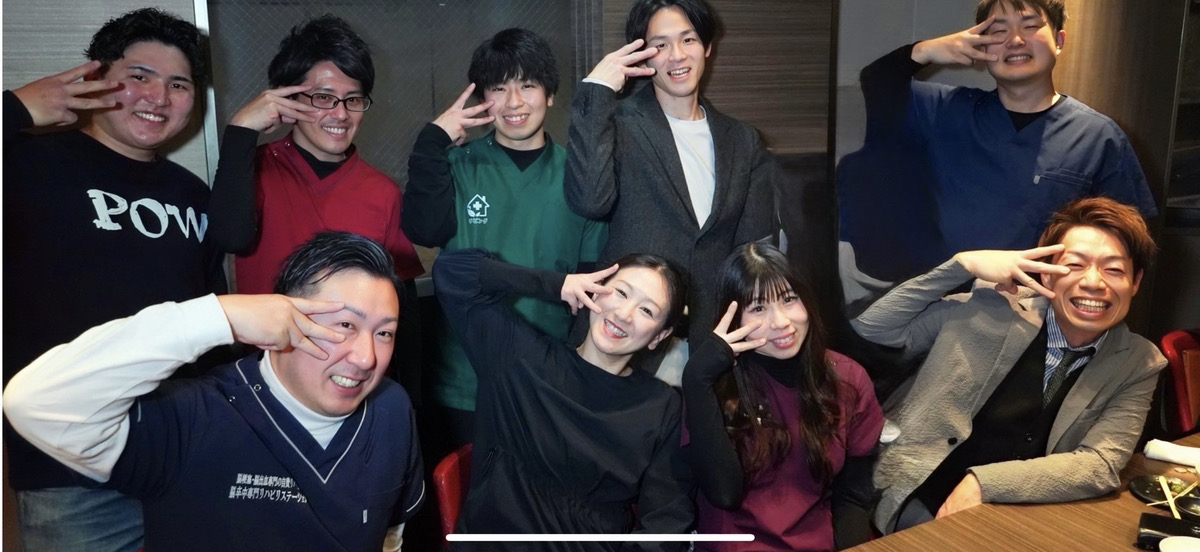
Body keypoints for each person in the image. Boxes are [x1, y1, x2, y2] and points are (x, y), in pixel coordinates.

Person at [5, 232, 425, 551]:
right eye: (345, 325)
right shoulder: (190, 417)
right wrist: (218, 315)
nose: (366, 358)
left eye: (384, 333)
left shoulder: (390, 407)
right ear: (282, 316)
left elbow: (390, 532)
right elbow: (33, 403)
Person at [2, 8, 224, 551]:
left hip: (181, 458)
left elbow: (211, 321)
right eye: (139, 76)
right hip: (71, 472)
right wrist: (13, 109)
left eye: (178, 84)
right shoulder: (28, 164)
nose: (159, 97)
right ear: (97, 78)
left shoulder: (192, 194)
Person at [852, 197, 1167, 533]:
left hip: (1019, 510)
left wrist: (983, 483)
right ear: (1046, 275)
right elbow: (872, 329)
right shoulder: (987, 309)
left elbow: (1100, 464)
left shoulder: (1138, 362)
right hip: (918, 493)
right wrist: (961, 265)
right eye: (1075, 265)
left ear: (1135, 282)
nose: (1093, 282)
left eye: (1114, 269)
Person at [840, 0, 1158, 282]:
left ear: (1059, 41)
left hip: (1037, 309)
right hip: (938, 303)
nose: (1015, 40)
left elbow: (1128, 240)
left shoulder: (1098, 136)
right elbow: (875, 83)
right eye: (998, 30)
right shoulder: (946, 110)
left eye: (1030, 26)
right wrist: (926, 51)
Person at [403, 27, 606, 451]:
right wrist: (432, 143)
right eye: (499, 88)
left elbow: (592, 289)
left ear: (550, 95)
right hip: (463, 382)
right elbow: (423, 231)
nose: (514, 102)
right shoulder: (458, 165)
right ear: (483, 99)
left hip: (548, 380)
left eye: (527, 86)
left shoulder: (579, 177)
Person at [206, 14, 425, 392]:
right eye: (323, 98)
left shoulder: (383, 192)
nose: (340, 114)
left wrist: (412, 395)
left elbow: (403, 304)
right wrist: (241, 130)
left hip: (355, 381)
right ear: (286, 98)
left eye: (352, 100)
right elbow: (229, 236)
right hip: (267, 382)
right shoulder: (253, 168)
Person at [432, 248, 694, 551]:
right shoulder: (519, 357)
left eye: (647, 311)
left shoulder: (660, 407)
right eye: (621, 292)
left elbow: (666, 522)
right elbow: (451, 271)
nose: (624, 314)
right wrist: (556, 284)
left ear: (659, 336)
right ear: (596, 290)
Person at [564, 0, 776, 360]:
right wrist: (598, 90)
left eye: (688, 40)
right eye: (660, 45)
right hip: (624, 332)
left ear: (707, 47)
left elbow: (750, 252)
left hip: (709, 339)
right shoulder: (618, 125)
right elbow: (589, 201)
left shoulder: (744, 140)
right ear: (642, 55)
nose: (677, 56)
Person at [681, 243, 883, 551]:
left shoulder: (848, 378)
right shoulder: (715, 383)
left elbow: (853, 494)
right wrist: (696, 380)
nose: (780, 322)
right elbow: (723, 494)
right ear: (735, 321)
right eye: (758, 308)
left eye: (789, 299)